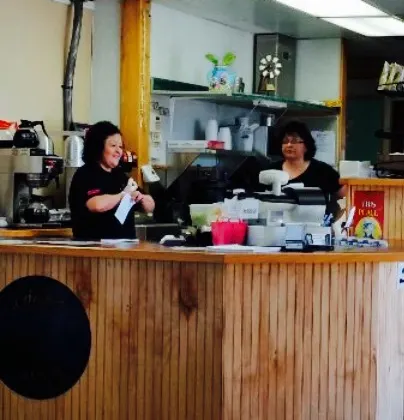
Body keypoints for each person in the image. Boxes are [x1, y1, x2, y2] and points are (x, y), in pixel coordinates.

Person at [68, 121, 155, 239]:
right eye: (113, 146)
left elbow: (150, 206)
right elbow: (96, 205)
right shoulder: (85, 174)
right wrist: (123, 195)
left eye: (120, 146)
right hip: (94, 246)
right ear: (98, 147)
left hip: (125, 246)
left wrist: (142, 198)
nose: (119, 151)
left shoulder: (120, 175)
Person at [267, 120, 346, 216]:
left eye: (294, 141)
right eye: (285, 141)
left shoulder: (323, 171)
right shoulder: (271, 171)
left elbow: (346, 198)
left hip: (316, 223)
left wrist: (336, 221)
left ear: (306, 146)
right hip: (276, 223)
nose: (289, 145)